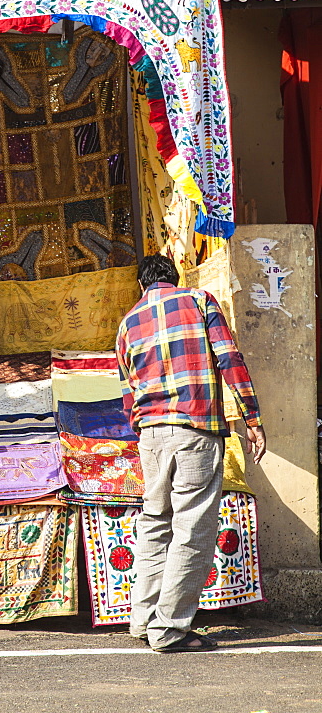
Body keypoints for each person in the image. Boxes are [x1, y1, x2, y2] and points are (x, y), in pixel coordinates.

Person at [116, 254, 266, 653]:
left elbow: (128, 391)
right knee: (192, 528)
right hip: (195, 427)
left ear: (141, 285)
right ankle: (167, 630)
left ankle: (144, 619)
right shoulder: (199, 301)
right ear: (174, 277)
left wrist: (148, 427)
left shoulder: (127, 323)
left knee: (155, 523)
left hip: (152, 434)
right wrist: (252, 417)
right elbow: (229, 359)